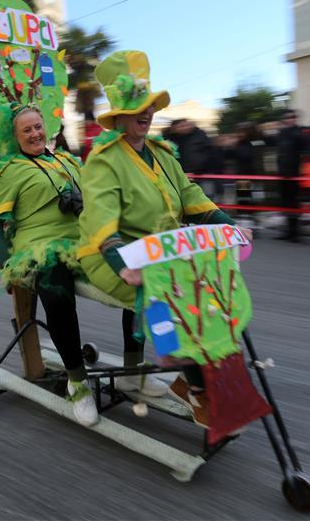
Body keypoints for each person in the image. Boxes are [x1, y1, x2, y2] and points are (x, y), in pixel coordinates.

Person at [77, 50, 252, 428]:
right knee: (171, 300)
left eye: (150, 105)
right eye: (138, 107)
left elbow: (192, 199)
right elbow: (102, 223)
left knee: (211, 289)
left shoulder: (162, 153)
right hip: (111, 254)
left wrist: (230, 227)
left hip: (166, 253)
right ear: (119, 116)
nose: (146, 113)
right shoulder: (103, 160)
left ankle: (193, 376)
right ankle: (197, 389)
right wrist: (124, 265)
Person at [0, 104, 98, 426]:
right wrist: (8, 269)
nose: (35, 134)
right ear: (15, 136)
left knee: (139, 264)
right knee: (56, 290)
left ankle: (136, 370)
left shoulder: (68, 160)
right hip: (39, 248)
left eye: (38, 127)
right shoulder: (10, 171)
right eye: (26, 130)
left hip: (84, 241)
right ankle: (78, 382)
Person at [275, 110, 306, 241]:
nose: (290, 120)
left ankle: (295, 232)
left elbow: (301, 147)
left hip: (294, 173)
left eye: (292, 117)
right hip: (283, 173)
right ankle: (288, 231)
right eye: (287, 118)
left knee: (294, 203)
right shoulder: (282, 133)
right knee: (286, 202)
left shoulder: (298, 132)